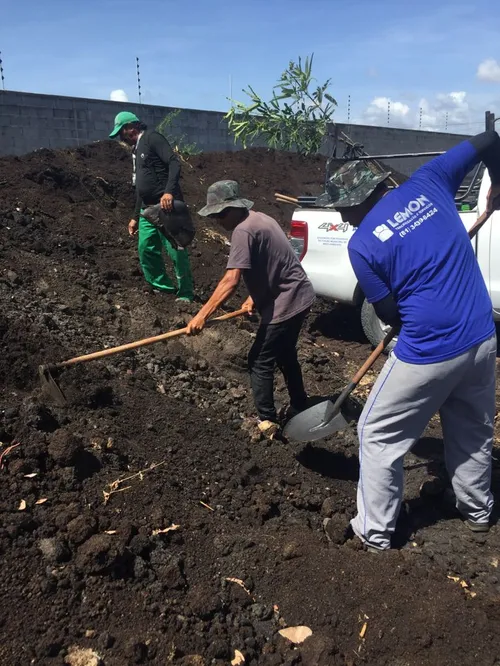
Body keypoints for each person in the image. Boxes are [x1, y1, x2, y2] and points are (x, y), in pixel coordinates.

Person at [319, 129, 500, 552]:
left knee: (376, 431)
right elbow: (491, 137)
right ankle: (477, 509)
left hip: (430, 351)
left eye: (345, 209)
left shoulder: (362, 244)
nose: (345, 218)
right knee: (472, 427)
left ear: (362, 197)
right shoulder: (431, 179)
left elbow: (389, 315)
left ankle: (374, 532)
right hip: (482, 336)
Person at [186, 180, 316, 438]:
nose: (218, 220)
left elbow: (230, 279)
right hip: (301, 294)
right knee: (285, 353)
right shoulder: (260, 218)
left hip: (287, 301)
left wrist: (201, 315)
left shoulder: (242, 231)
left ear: (234, 208)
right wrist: (253, 298)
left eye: (221, 213)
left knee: (259, 359)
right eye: (215, 215)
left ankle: (267, 421)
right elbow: (273, 262)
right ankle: (301, 403)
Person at [109, 111, 194, 302]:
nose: (121, 138)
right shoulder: (136, 151)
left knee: (176, 249)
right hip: (146, 209)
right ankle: (162, 287)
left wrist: (169, 192)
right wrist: (134, 216)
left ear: (131, 127)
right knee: (146, 248)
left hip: (166, 207)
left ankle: (186, 293)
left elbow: (173, 163)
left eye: (121, 132)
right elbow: (140, 187)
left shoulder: (153, 139)